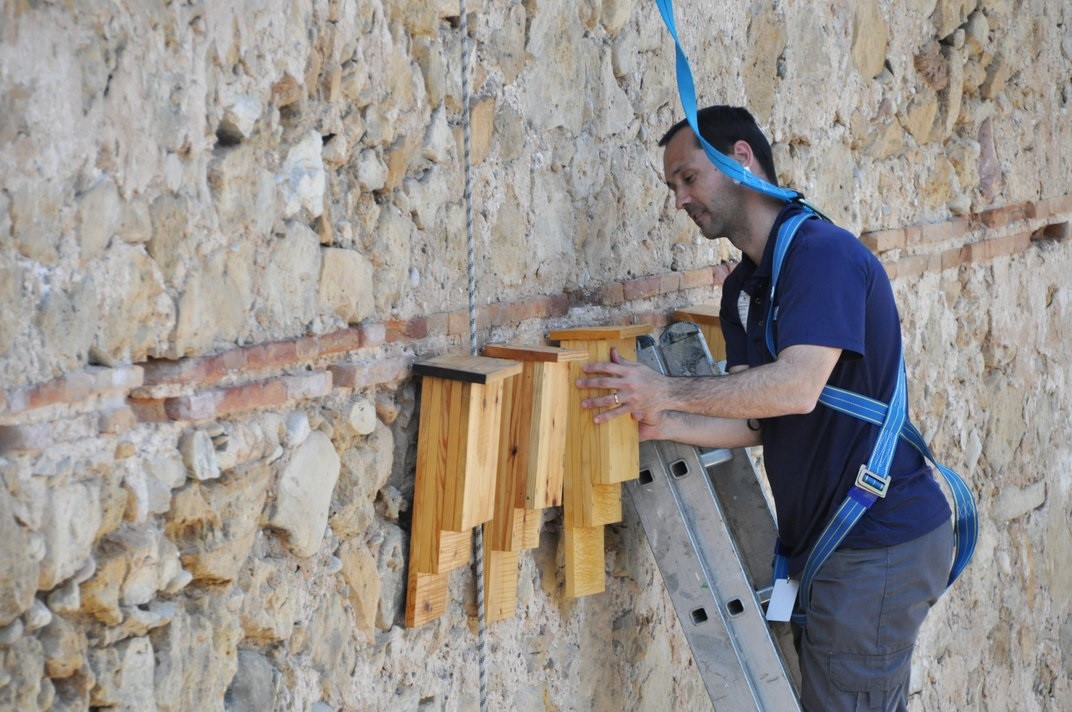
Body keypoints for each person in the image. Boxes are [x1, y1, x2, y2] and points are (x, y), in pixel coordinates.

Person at [578, 105, 954, 712]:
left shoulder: (821, 255)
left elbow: (796, 388)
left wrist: (667, 390)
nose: (679, 199)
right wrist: (664, 421)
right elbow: (759, 417)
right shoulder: (745, 288)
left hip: (877, 541)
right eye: (672, 186)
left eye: (688, 177)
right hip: (837, 550)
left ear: (741, 159)